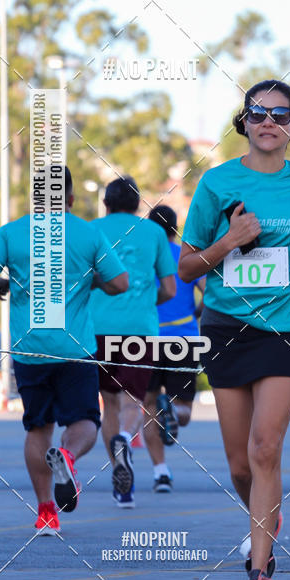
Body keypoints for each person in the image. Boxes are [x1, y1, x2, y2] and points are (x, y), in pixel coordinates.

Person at [178, 79, 290, 580]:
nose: (269, 121)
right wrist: (229, 242)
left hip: (289, 328)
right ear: (243, 121)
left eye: (281, 113)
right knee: (241, 465)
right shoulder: (217, 183)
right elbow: (186, 267)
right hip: (228, 326)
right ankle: (265, 523)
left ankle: (257, 575)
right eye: (258, 112)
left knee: (266, 446)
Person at [0, 167, 128, 533]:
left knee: (37, 427)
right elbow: (120, 282)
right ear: (70, 199)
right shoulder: (88, 233)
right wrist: (95, 280)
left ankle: (45, 512)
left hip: (30, 350)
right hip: (74, 349)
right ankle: (68, 457)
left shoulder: (12, 232)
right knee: (85, 420)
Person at [90, 176, 176, 508]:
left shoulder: (91, 229)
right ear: (139, 206)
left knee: (108, 403)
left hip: (96, 330)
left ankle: (122, 488)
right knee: (132, 402)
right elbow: (169, 289)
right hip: (140, 331)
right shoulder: (155, 233)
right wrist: (141, 301)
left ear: (106, 204)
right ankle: (126, 437)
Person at [143, 204, 205, 493]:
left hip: (148, 339)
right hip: (185, 339)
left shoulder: (144, 257)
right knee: (185, 412)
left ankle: (160, 472)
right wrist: (196, 312)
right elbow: (208, 290)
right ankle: (175, 413)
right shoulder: (185, 256)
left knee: (148, 405)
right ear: (175, 227)